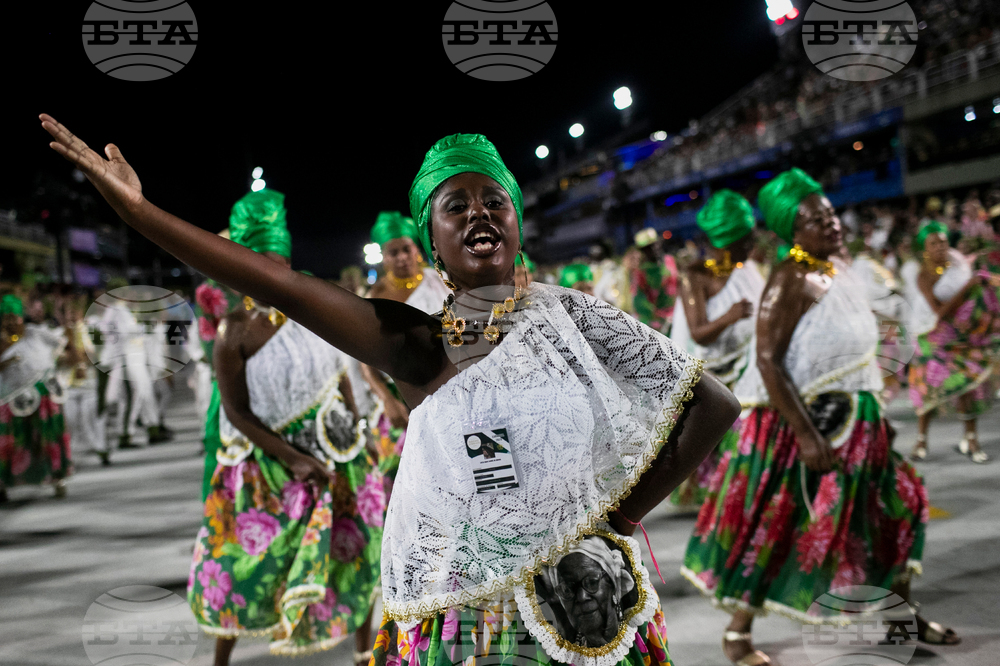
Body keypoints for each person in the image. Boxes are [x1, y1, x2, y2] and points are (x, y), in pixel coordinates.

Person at [42, 117, 740, 666]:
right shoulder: (418, 343)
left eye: (495, 199)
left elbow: (715, 403)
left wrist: (617, 519)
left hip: (586, 600)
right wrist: (143, 215)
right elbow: (280, 284)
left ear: (518, 223)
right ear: (432, 245)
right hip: (474, 617)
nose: (479, 213)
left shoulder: (578, 315)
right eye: (455, 206)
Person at [681, 169, 959, 666]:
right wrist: (807, 436)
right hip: (805, 424)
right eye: (814, 218)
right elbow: (768, 358)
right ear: (792, 229)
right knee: (778, 524)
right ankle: (738, 633)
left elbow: (851, 349)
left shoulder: (835, 269)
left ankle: (904, 621)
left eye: (830, 212)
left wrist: (875, 411)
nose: (830, 223)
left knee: (895, 510)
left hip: (859, 419)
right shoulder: (792, 277)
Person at [184, 188, 383, 664]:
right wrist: (290, 457)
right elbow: (235, 411)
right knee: (244, 571)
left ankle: (363, 653)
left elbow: (340, 373)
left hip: (339, 457)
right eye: (258, 262)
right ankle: (220, 659)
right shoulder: (234, 329)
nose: (272, 273)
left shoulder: (315, 306)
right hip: (270, 466)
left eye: (279, 262)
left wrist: (355, 424)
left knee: (359, 552)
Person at [668, 190, 763, 513]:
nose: (753, 246)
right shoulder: (695, 276)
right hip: (709, 380)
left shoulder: (748, 270)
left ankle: (734, 504)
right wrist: (731, 316)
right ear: (724, 240)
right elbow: (699, 333)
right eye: (745, 240)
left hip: (746, 372)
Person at [362, 211, 450, 497]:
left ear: (416, 249)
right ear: (383, 257)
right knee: (403, 484)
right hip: (400, 403)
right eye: (392, 252)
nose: (401, 257)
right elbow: (365, 358)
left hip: (448, 391)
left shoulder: (440, 281)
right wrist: (387, 399)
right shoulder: (375, 297)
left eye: (406, 249)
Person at [906, 221, 1000, 463]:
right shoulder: (923, 275)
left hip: (960, 337)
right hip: (932, 338)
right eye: (933, 243)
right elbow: (939, 312)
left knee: (967, 385)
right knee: (929, 389)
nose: (940, 247)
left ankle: (971, 440)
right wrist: (969, 287)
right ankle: (921, 441)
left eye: (944, 241)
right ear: (925, 249)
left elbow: (973, 293)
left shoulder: (957, 263)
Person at [0, 294, 72, 500]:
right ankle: (3, 484)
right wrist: (6, 362)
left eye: (14, 317)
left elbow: (61, 346)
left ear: (21, 317)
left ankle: (58, 478)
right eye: (6, 318)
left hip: (43, 397)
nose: (11, 321)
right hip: (11, 400)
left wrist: (57, 361)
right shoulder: (1, 343)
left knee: (48, 437)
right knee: (11, 442)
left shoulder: (35, 333)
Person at [631, 228, 678, 334]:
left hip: (676, 316)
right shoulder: (641, 272)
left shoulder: (670, 260)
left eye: (655, 244)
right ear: (643, 251)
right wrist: (659, 317)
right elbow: (639, 301)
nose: (653, 249)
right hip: (659, 324)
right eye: (647, 248)